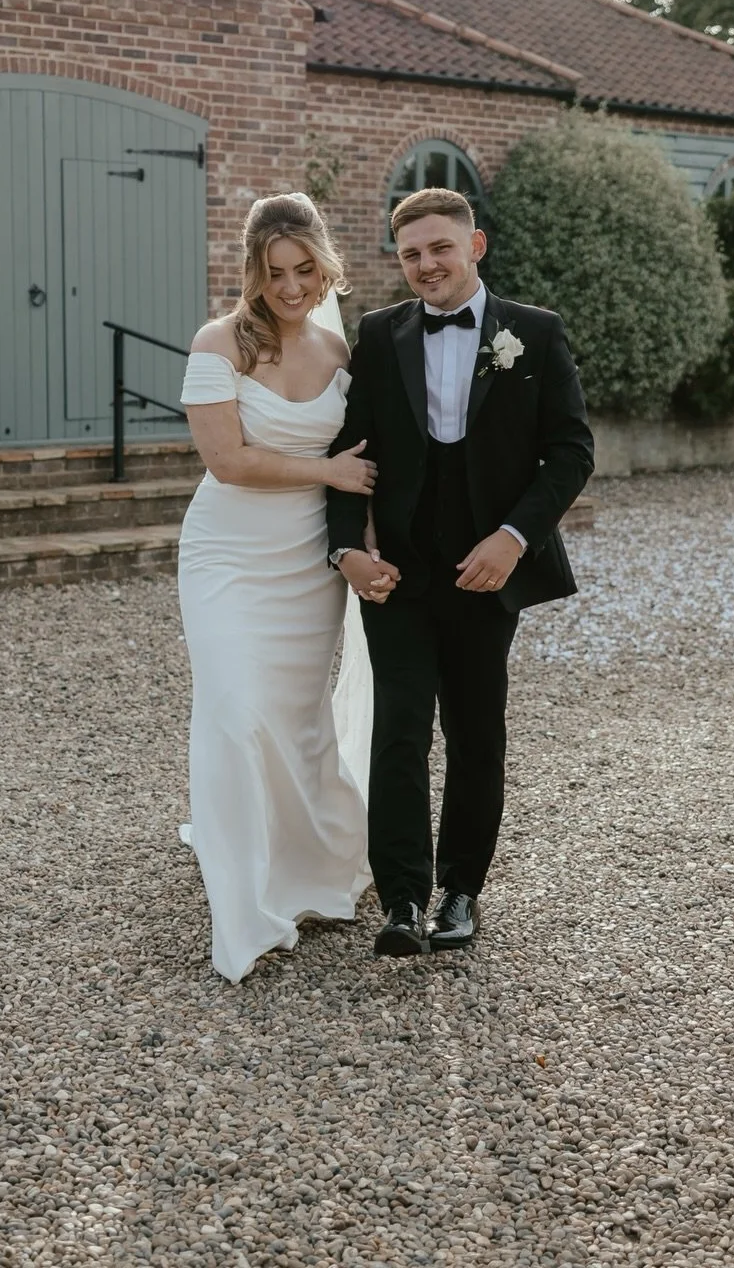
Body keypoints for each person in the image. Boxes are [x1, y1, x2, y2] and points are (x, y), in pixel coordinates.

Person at [326, 187, 595, 957]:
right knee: (399, 733)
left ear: (474, 247)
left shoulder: (534, 334)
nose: (425, 265)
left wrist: (513, 537)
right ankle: (403, 899)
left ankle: (461, 893)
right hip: (399, 576)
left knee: (477, 732)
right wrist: (348, 551)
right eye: (410, 253)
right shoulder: (378, 335)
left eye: (440, 248)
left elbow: (571, 450)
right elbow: (355, 455)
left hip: (487, 571)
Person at [177, 194, 388, 983]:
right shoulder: (218, 343)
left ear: (324, 265)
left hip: (308, 562)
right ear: (254, 272)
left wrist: (366, 546)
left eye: (304, 270)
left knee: (297, 720)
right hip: (227, 555)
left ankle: (318, 860)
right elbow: (227, 461)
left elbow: (372, 463)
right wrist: (324, 468)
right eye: (275, 273)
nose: (291, 287)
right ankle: (244, 895)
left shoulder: (342, 352)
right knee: (234, 710)